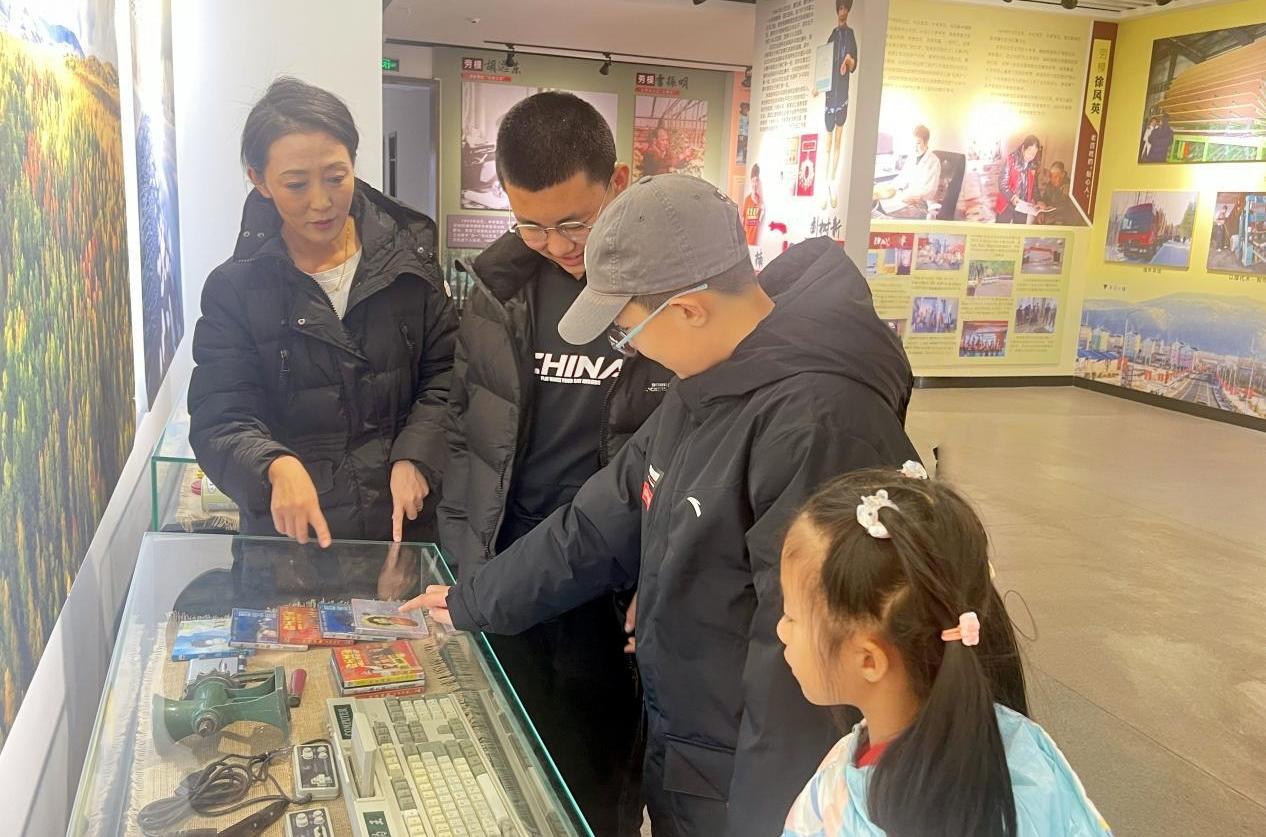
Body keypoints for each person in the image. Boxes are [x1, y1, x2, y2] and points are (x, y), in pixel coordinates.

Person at [407, 174, 918, 837]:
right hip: (691, 740)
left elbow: (801, 674)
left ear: (688, 309)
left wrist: (770, 823)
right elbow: (597, 522)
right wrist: (472, 601)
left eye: (626, 331)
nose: (630, 349)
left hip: (749, 779)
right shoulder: (705, 382)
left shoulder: (816, 425)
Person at [438, 92, 669, 837]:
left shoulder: (668, 293)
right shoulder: (499, 287)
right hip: (510, 563)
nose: (557, 245)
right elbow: (467, 427)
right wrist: (464, 555)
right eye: (530, 224)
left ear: (618, 183)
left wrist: (664, 573)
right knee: (506, 766)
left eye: (574, 222)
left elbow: (694, 457)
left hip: (612, 585)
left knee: (600, 781)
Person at [188, 77, 456, 547]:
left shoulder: (409, 262)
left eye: (336, 177)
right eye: (296, 184)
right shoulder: (236, 289)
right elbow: (222, 415)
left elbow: (449, 373)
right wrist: (273, 466)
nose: (322, 202)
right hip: (292, 545)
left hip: (407, 531)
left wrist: (417, 453)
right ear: (259, 179)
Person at [778, 466, 1111, 836]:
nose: (780, 630)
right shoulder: (1024, 751)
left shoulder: (858, 817)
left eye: (791, 617)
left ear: (869, 660)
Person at [814, 0, 858, 210]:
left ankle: (832, 185)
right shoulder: (833, 35)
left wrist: (848, 60)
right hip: (830, 95)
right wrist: (818, 85)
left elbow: (854, 64)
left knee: (838, 143)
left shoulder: (850, 35)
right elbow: (824, 64)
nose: (843, 12)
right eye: (840, 8)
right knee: (827, 144)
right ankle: (824, 187)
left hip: (842, 94)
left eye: (845, 9)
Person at [874, 125, 941, 218]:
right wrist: (889, 187)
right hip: (907, 196)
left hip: (921, 202)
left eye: (918, 143)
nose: (915, 147)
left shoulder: (933, 161)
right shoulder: (912, 157)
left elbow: (930, 190)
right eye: (913, 143)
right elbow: (903, 177)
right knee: (879, 203)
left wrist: (915, 197)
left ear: (926, 142)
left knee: (887, 211)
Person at [995, 134, 1042, 224]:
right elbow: (1002, 183)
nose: (1031, 156)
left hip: (1023, 206)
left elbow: (1034, 186)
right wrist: (1012, 197)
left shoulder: (1032, 165)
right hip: (1007, 202)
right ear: (1023, 148)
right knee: (1001, 228)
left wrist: (1039, 200)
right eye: (1029, 152)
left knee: (1019, 229)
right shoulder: (1011, 160)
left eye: (1034, 154)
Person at [1037, 160, 1078, 226]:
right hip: (1048, 216)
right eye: (1051, 176)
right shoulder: (1051, 183)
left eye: (1056, 176)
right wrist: (1041, 211)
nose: (1053, 179)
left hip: (1062, 220)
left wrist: (1052, 210)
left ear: (1063, 175)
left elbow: (1068, 208)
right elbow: (1044, 198)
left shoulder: (1069, 187)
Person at [741, 163, 765, 246]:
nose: (755, 184)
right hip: (746, 242)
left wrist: (762, 211)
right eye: (753, 181)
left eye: (756, 181)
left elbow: (760, 222)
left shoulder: (760, 201)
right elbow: (743, 220)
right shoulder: (747, 200)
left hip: (756, 243)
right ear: (751, 182)